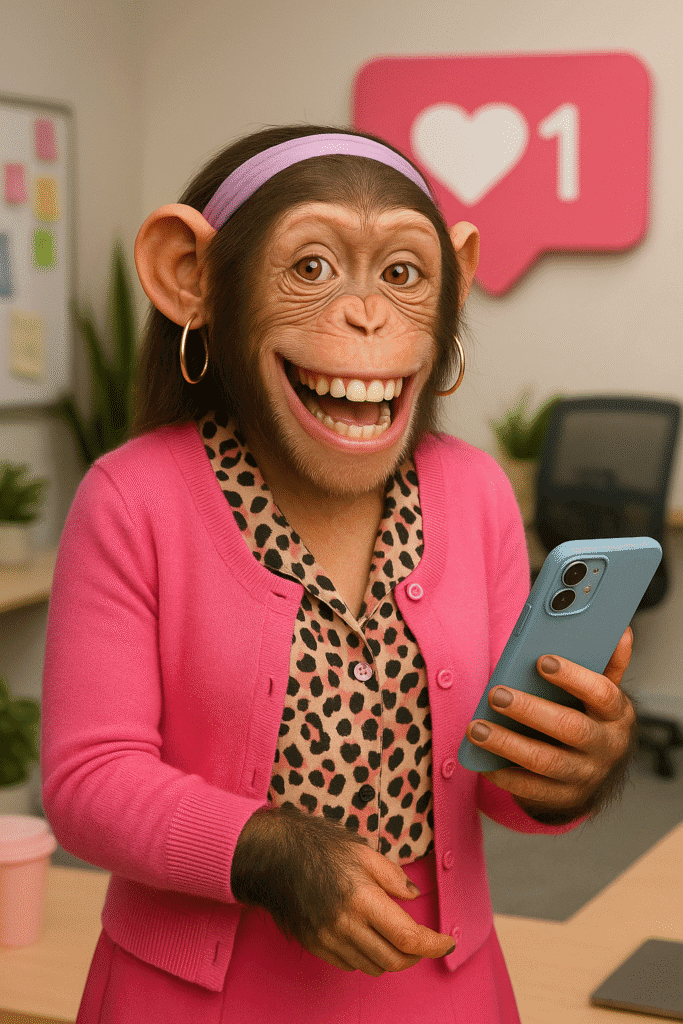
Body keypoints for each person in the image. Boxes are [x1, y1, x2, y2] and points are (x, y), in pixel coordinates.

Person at [41, 125, 637, 1024]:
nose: (367, 317)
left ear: (453, 286)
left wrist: (569, 769)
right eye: (312, 267)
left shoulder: (474, 493)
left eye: (402, 274)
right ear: (193, 279)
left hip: (443, 988)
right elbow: (89, 780)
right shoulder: (133, 498)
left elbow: (498, 793)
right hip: (190, 998)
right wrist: (265, 849)